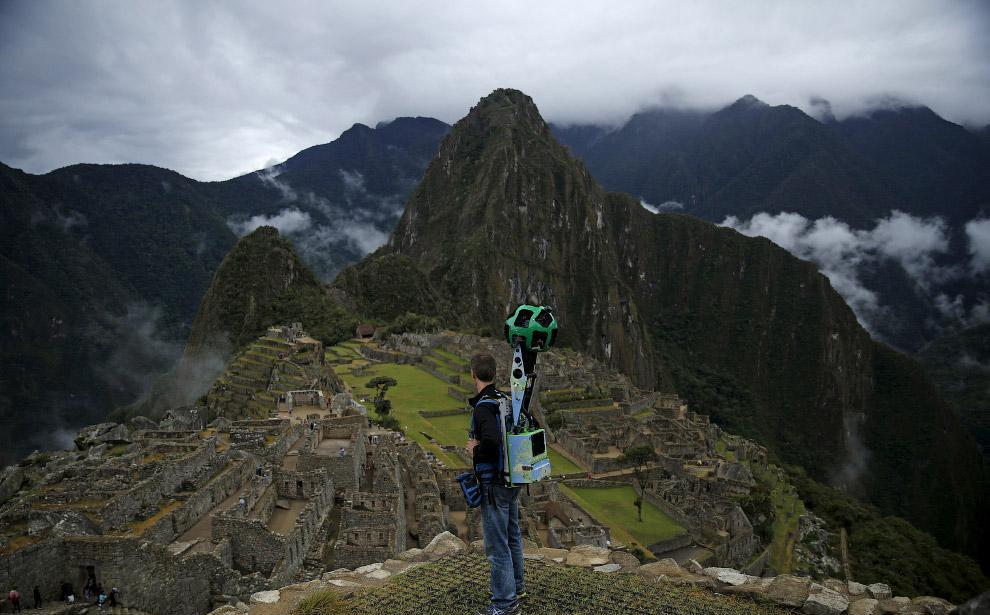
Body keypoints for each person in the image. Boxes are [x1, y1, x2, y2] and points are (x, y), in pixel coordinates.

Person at [465, 354, 524, 615]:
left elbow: (491, 442)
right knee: (512, 537)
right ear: (494, 374)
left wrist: (476, 448)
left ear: (473, 375)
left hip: (494, 484)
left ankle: (504, 603)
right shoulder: (505, 400)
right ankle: (516, 586)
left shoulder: (483, 407)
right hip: (512, 478)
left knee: (496, 545)